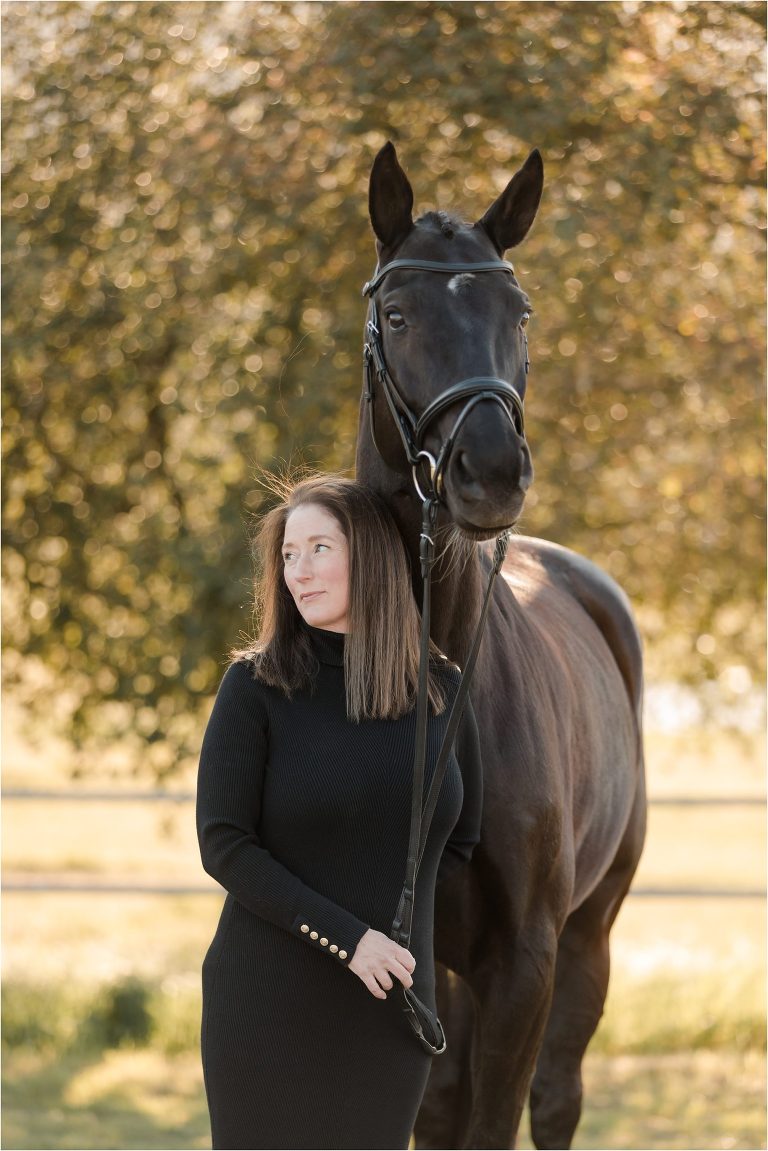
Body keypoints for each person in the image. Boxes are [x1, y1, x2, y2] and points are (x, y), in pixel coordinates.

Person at [196, 474, 482, 1150]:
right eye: (289, 555)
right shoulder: (257, 686)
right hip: (268, 1006)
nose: (299, 571)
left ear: (372, 555)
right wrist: (351, 939)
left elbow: (459, 842)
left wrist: (397, 939)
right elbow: (225, 844)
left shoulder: (440, 689)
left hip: (388, 1016)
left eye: (318, 547)